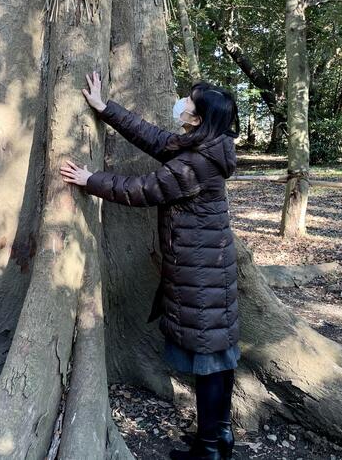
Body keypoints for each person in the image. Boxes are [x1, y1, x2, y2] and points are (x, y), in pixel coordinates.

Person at [60, 71, 240, 460]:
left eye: (189, 103)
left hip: (199, 272)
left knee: (209, 358)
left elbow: (144, 190)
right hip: (208, 267)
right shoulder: (205, 146)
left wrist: (91, 179)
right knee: (218, 354)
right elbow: (156, 139)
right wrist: (105, 108)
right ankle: (220, 436)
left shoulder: (195, 165)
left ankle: (209, 448)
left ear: (198, 118)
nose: (183, 105)